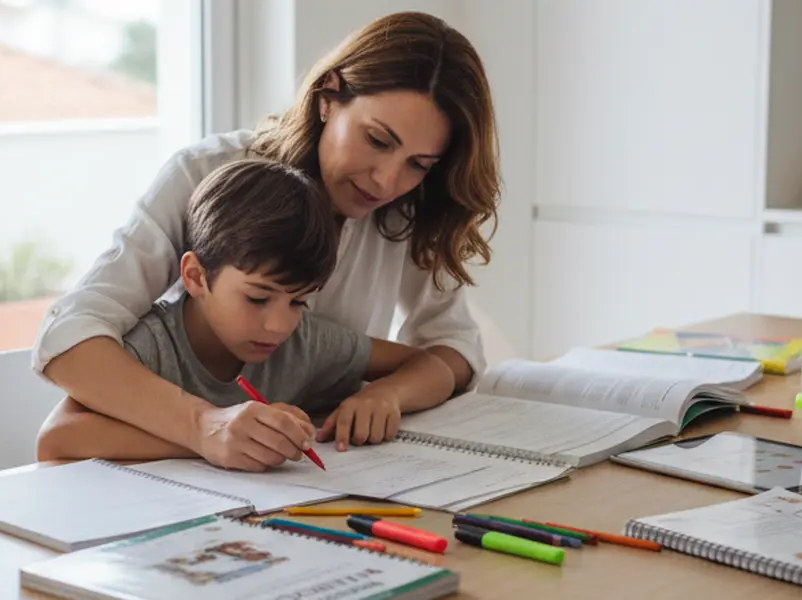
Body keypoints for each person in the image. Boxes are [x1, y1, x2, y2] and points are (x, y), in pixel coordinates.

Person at [31, 11, 499, 471]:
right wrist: (204, 427)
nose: (387, 180)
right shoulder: (205, 173)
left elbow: (453, 349)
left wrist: (388, 393)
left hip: (305, 473)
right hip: (181, 468)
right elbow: (70, 335)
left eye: (419, 164)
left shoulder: (406, 208)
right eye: (377, 140)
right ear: (328, 97)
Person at [35, 159, 456, 467]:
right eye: (257, 298)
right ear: (196, 276)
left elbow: (433, 367)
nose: (278, 325)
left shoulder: (303, 341)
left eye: (298, 301)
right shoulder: (153, 345)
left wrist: (386, 395)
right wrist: (214, 438)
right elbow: (56, 441)